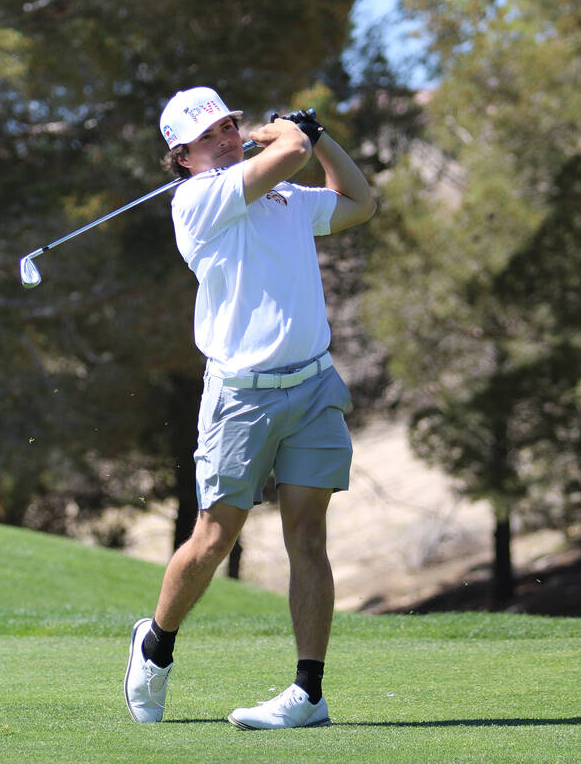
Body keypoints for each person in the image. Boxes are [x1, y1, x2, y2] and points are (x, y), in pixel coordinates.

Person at [125, 87, 376, 730]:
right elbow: (288, 150)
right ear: (181, 157)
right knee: (214, 537)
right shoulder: (198, 201)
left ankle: (309, 694)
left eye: (231, 126)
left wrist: (320, 138)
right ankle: (155, 644)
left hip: (314, 386)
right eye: (211, 136)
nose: (229, 138)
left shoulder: (286, 198)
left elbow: (359, 203)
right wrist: (291, 132)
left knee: (308, 538)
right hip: (241, 396)